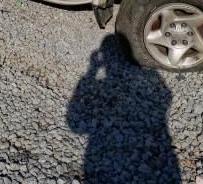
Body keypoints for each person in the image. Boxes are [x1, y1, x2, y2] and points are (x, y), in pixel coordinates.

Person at [67, 35, 181, 183]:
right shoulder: (151, 75)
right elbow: (167, 95)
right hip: (165, 155)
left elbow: (75, 125)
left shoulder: (146, 76)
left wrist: (92, 70)